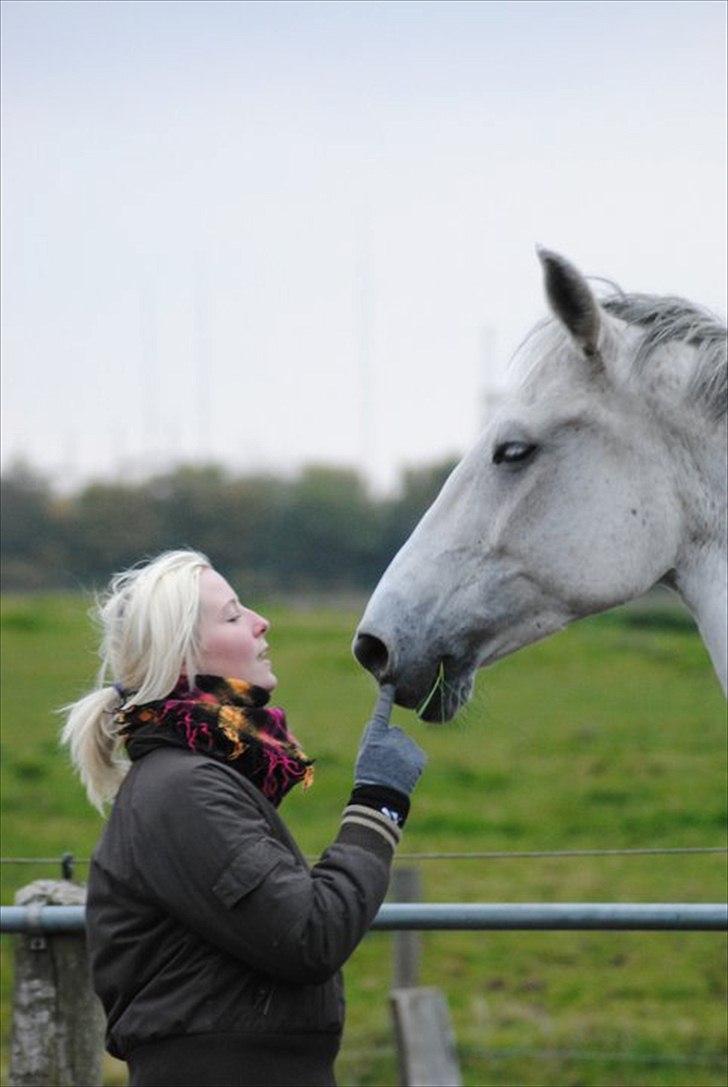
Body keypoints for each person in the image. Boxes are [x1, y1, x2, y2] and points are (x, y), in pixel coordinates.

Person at [61, 548, 426, 1087]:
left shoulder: (193, 780)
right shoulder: (184, 792)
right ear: (181, 656)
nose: (261, 623)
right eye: (233, 616)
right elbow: (309, 936)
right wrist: (377, 803)